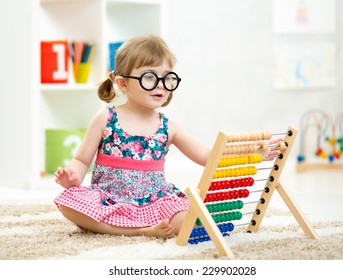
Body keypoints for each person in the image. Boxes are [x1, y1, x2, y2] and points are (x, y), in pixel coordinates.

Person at [54, 35, 283, 239]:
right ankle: (140, 231)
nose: (161, 86)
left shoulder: (168, 127)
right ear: (123, 83)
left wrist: (251, 152)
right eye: (149, 78)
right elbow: (82, 160)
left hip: (156, 202)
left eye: (166, 78)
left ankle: (148, 226)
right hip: (110, 199)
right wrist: (73, 175)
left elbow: (206, 156)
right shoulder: (105, 118)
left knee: (192, 221)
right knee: (69, 203)